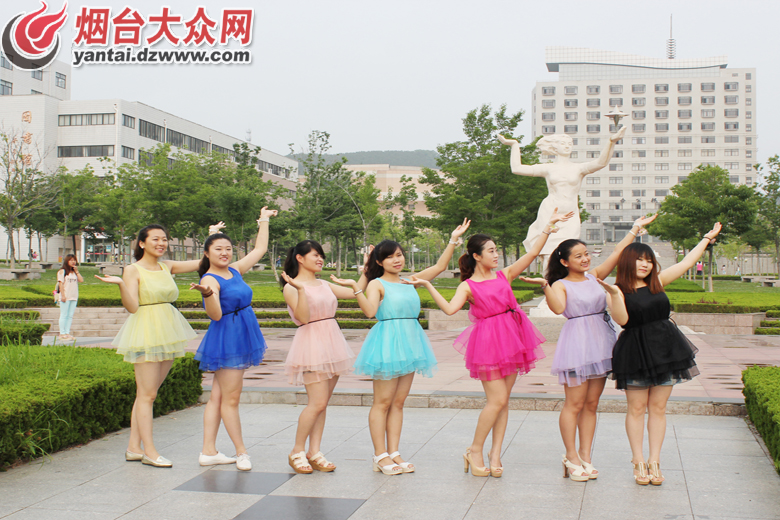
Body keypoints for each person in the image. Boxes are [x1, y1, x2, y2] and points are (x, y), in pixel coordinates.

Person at [412, 210, 572, 477]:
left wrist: (547, 226)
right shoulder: (468, 286)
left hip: (513, 337)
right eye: (491, 251)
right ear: (477, 256)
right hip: (488, 342)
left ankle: (495, 453)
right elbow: (450, 310)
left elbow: (532, 254)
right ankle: (474, 449)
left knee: (503, 400)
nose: (496, 255)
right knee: (496, 400)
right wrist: (428, 285)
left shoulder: (503, 275)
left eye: (496, 250)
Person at [520, 215, 657, 482]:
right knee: (574, 404)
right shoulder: (560, 284)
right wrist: (546, 286)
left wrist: (634, 229)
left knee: (592, 404)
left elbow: (617, 253)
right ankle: (571, 456)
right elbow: (558, 308)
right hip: (577, 344)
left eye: (586, 254)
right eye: (578, 256)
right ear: (564, 262)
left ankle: (586, 456)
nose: (585, 259)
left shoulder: (594, 277)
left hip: (602, 342)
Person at [331, 219, 472, 475]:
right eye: (390, 257)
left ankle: (394, 452)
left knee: (398, 402)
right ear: (379, 261)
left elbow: (440, 266)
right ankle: (379, 455)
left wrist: (453, 239)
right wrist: (356, 288)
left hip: (410, 342)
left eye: (399, 255)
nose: (397, 260)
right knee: (382, 402)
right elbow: (370, 312)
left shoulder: (410, 280)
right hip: (387, 343)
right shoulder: (376, 284)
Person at [597, 222, 721, 486]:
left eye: (649, 260)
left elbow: (687, 262)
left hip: (665, 348)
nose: (645, 264)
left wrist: (706, 238)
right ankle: (638, 460)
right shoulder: (616, 290)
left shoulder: (658, 282)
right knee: (636, 408)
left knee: (659, 408)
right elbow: (623, 320)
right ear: (627, 262)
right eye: (640, 260)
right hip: (635, 351)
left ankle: (655, 460)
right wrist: (614, 295)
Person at [96, 224, 206, 467]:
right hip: (145, 331)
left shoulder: (167, 266)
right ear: (142, 243)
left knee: (148, 393)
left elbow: (204, 262)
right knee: (147, 395)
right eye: (155, 239)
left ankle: (133, 448)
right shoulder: (133, 270)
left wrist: (211, 235)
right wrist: (121, 284)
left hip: (167, 330)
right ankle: (150, 451)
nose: (161, 243)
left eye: (164, 239)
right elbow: (132, 307)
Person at [190, 209, 277, 471]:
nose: (224, 253)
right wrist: (208, 294)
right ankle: (241, 452)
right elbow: (215, 314)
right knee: (231, 399)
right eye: (218, 249)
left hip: (240, 333)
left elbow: (260, 249)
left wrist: (264, 219)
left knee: (218, 397)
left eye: (228, 249)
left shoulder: (234, 270)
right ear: (207, 253)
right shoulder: (210, 279)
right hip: (228, 339)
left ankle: (208, 451)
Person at [281, 240, 364, 474]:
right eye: (315, 255)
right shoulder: (291, 287)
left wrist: (367, 269)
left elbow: (355, 292)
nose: (320, 259)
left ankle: (314, 451)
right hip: (311, 344)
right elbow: (303, 317)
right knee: (316, 403)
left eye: (321, 256)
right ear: (300, 258)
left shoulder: (324, 284)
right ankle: (297, 451)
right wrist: (300, 290)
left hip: (332, 342)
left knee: (322, 403)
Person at [497, 128, 626, 258]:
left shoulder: (579, 168)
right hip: (550, 212)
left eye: (569, 144)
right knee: (548, 253)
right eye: (563, 144)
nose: (567, 146)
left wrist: (611, 141)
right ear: (555, 147)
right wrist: (514, 145)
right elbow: (517, 168)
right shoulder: (548, 168)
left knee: (569, 252)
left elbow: (601, 162)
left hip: (571, 215)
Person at [56, 254, 83, 341]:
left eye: (74, 260)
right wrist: (63, 295)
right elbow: (61, 284)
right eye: (71, 260)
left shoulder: (74, 272)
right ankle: (62, 333)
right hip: (65, 296)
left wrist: (77, 271)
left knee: (70, 315)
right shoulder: (62, 271)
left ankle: (67, 332)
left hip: (74, 296)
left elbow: (81, 280)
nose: (73, 262)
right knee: (64, 315)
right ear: (67, 261)